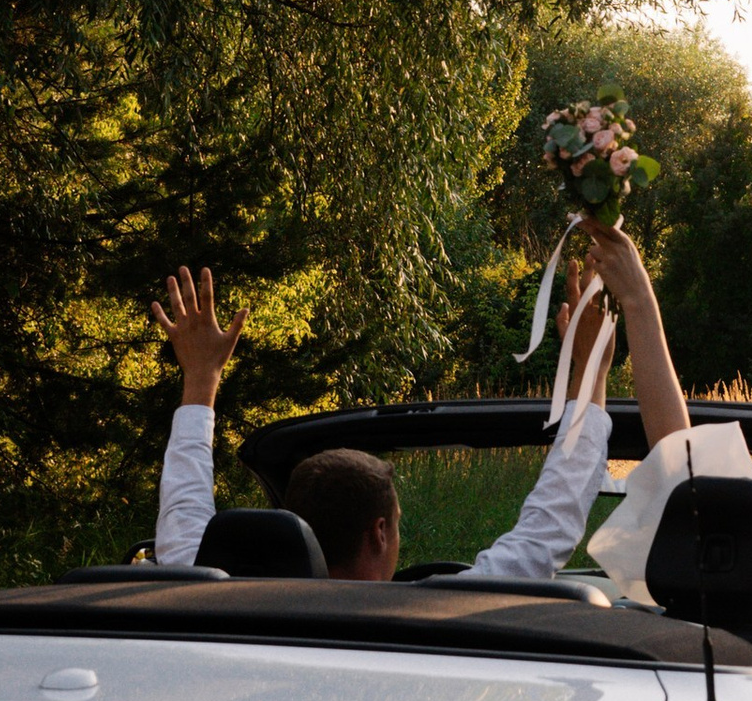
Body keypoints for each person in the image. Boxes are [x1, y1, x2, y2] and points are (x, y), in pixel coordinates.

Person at [147, 218, 692, 581]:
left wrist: (200, 377)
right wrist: (592, 364)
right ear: (380, 533)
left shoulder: (218, 604)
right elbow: (550, 525)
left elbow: (184, 524)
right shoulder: (443, 612)